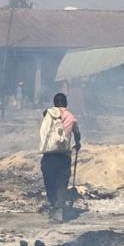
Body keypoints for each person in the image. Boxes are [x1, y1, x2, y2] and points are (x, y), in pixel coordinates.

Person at [39, 92, 81, 221]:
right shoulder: (71, 117)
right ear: (66, 103)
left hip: (49, 155)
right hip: (64, 155)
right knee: (62, 183)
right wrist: (77, 143)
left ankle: (54, 205)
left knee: (49, 181)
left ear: (55, 103)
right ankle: (59, 208)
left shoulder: (48, 113)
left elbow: (44, 115)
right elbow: (77, 133)